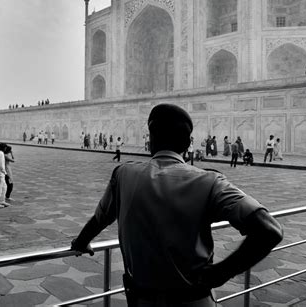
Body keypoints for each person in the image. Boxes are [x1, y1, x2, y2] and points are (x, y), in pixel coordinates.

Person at [71, 103, 283, 306]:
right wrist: (221, 273)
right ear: (187, 143)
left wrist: (81, 242)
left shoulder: (124, 175)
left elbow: (100, 218)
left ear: (151, 140)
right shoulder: (210, 182)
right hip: (194, 301)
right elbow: (269, 229)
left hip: (140, 300)